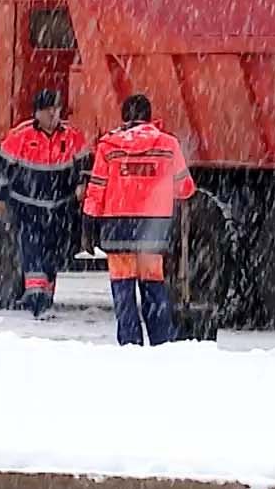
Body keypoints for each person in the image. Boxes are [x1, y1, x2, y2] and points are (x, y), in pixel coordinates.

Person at [83, 93, 196, 346]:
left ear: (124, 117)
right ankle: (160, 341)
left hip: (117, 226)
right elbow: (186, 188)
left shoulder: (108, 146)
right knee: (153, 287)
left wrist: (89, 221)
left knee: (123, 289)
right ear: (149, 117)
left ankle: (130, 342)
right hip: (153, 228)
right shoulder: (168, 144)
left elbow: (97, 187)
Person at [0, 89, 90, 318]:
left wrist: (81, 184)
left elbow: (85, 163)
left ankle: (46, 296)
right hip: (28, 206)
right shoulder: (21, 136)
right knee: (32, 250)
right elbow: (2, 170)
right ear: (37, 113)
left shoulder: (72, 136)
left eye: (56, 110)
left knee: (51, 254)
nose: (53, 115)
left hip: (60, 207)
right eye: (48, 111)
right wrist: (0, 198)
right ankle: (36, 300)